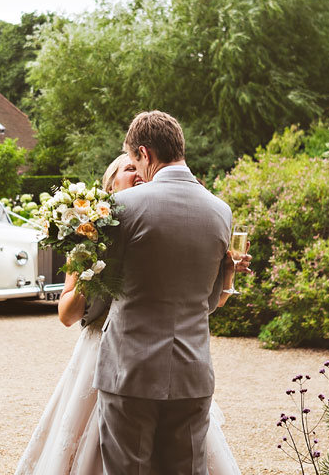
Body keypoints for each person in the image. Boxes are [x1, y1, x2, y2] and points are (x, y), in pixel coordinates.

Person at [15, 141, 246, 474]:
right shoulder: (90, 237)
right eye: (129, 169)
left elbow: (201, 303)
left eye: (139, 167)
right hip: (103, 357)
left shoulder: (155, 225)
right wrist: (90, 269)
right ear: (111, 187)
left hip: (153, 364)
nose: (138, 174)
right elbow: (67, 314)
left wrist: (226, 273)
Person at [95, 110, 235, 474]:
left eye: (134, 163)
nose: (137, 174)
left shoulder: (122, 208)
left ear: (146, 154)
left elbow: (102, 287)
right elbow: (207, 303)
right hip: (193, 371)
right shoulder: (221, 211)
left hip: (131, 372)